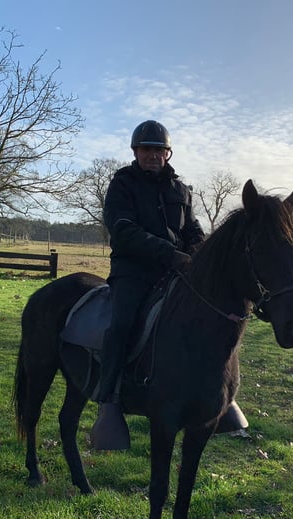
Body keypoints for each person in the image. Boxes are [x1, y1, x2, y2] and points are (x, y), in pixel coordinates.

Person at [91, 119, 247, 450]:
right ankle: (110, 401)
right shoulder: (122, 184)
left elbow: (192, 229)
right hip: (133, 271)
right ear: (136, 152)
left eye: (159, 150)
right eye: (147, 149)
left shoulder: (181, 191)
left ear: (167, 153)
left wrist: (200, 253)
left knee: (213, 316)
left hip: (176, 272)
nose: (153, 155)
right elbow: (123, 230)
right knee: (121, 323)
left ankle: (221, 395)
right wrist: (170, 254)